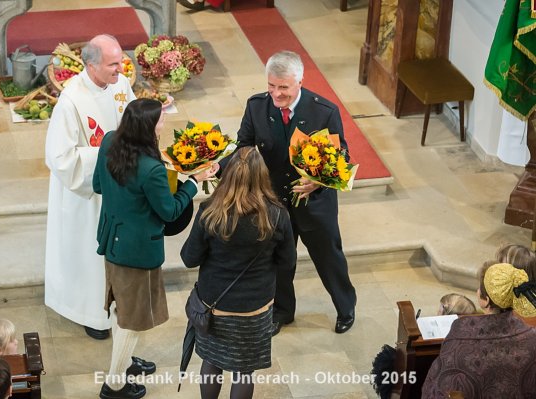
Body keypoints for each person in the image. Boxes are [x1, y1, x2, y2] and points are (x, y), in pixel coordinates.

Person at [221, 50, 356, 335]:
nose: (276, 94)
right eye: (271, 86)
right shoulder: (257, 107)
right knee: (279, 260)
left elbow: (341, 158)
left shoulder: (324, 111)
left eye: (283, 87)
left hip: (315, 204)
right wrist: (217, 167)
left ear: (299, 82)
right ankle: (283, 311)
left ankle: (346, 307)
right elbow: (243, 146)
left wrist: (317, 182)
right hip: (274, 200)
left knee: (329, 258)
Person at [93, 98, 218, 399]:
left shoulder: (110, 140)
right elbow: (170, 212)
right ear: (149, 127)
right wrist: (192, 182)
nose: (164, 123)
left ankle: (122, 363)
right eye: (161, 119)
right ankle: (115, 384)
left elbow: (98, 185)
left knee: (119, 306)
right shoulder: (151, 170)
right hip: (137, 252)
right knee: (132, 318)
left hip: (113, 239)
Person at [181, 147, 296, 399]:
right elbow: (287, 263)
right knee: (244, 372)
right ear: (262, 176)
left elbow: (189, 258)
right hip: (255, 308)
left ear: (228, 175)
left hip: (214, 306)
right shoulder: (277, 214)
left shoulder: (209, 211)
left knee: (212, 362)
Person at [44, 34, 136, 341]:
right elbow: (59, 157)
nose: (120, 69)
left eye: (121, 61)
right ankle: (91, 312)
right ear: (91, 65)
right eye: (112, 64)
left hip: (121, 186)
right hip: (88, 195)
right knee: (89, 255)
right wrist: (109, 152)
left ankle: (116, 305)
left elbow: (132, 121)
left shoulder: (120, 85)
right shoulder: (72, 101)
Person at [422, 262, 536, 398]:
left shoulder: (459, 339)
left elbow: (440, 388)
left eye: (479, 289)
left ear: (485, 301)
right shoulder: (532, 337)